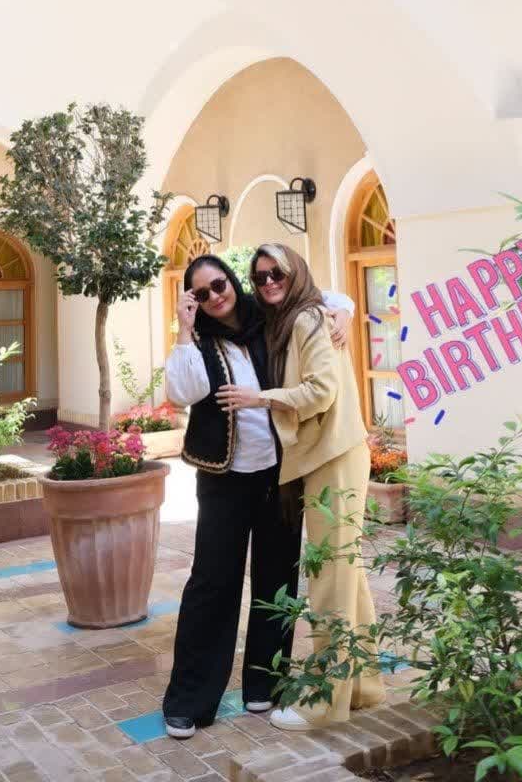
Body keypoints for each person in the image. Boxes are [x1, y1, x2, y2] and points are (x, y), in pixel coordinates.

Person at [161, 253, 354, 739]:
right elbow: (182, 391)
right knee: (212, 583)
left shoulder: (268, 317)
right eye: (201, 293)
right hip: (223, 479)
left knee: (277, 580)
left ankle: (266, 683)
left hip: (279, 475)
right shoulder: (198, 341)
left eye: (219, 284)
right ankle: (189, 699)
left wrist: (344, 311)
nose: (214, 296)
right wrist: (184, 329)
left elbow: (319, 295)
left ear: (232, 280)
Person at [216, 242, 386, 731]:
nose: (269, 282)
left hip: (334, 455)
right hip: (331, 454)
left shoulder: (308, 318)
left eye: (278, 273)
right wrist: (343, 306)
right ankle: (363, 685)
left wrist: (258, 398)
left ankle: (326, 702)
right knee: (345, 573)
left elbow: (321, 390)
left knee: (330, 577)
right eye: (260, 276)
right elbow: (330, 298)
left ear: (295, 274)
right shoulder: (297, 315)